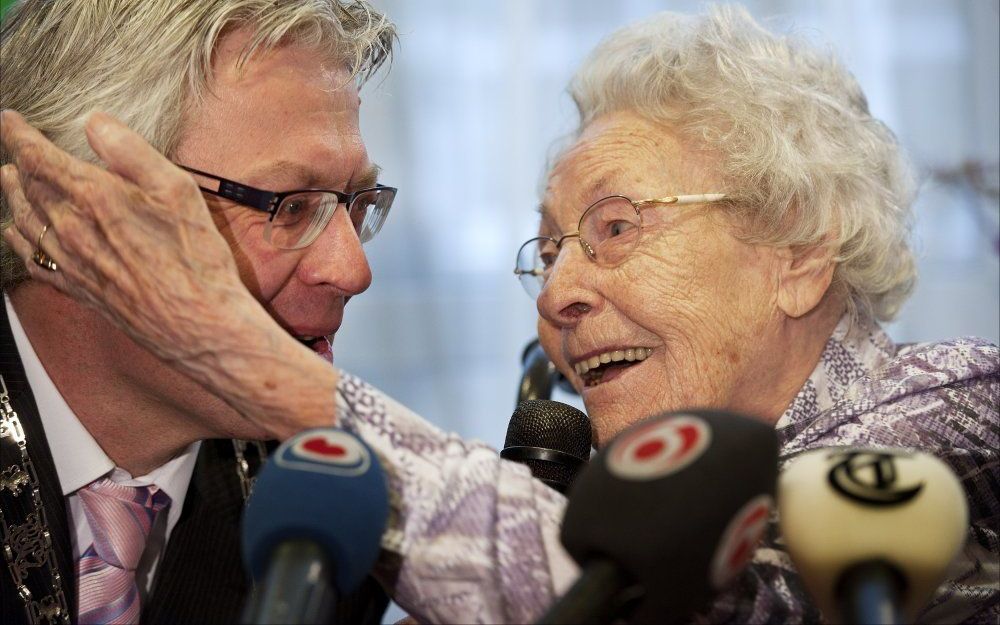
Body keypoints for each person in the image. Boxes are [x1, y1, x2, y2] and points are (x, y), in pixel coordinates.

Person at [3, 4, 997, 625]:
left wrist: (265, 375)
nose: (557, 293)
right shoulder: (333, 523)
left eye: (614, 227)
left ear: (799, 251)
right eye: (550, 247)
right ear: (71, 204)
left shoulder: (969, 420)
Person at [0, 1, 397, 623]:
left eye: (355, 203)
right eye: (291, 207)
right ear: (71, 212)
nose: (352, 271)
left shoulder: (328, 524)